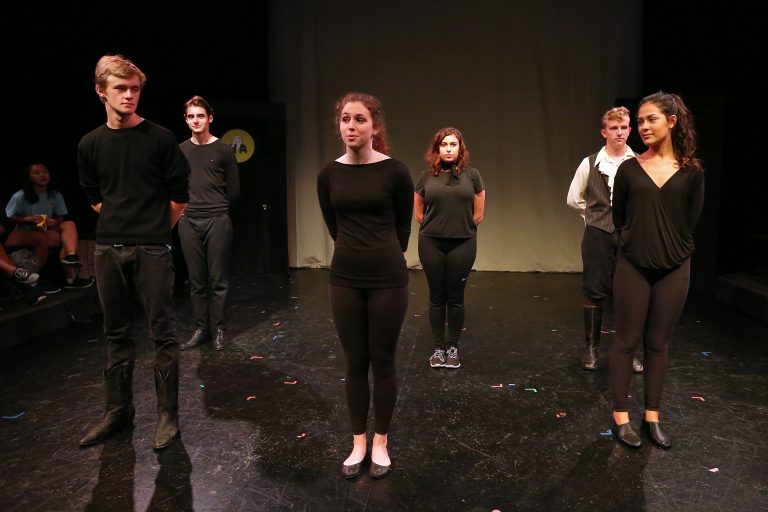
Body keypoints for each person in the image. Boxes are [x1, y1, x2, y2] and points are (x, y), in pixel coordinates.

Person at [77, 54, 190, 451]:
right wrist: (122, 223)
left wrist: (153, 231)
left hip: (152, 250)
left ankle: (167, 416)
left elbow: (179, 197)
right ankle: (118, 411)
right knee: (116, 333)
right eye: (120, 89)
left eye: (134, 89)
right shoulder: (90, 143)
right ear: (100, 92)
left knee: (163, 332)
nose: (129, 95)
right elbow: (94, 198)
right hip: (109, 248)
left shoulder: (159, 138)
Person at [317, 92, 413, 479]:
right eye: (345, 119)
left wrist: (382, 253)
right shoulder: (328, 174)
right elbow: (333, 226)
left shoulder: (396, 172)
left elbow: (403, 229)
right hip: (345, 278)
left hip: (388, 278)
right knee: (355, 363)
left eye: (359, 119)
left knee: (383, 360)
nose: (351, 126)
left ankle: (381, 441)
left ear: (375, 126)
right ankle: (359, 441)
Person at [609, 92, 705, 449]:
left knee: (658, 343)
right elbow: (618, 217)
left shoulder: (692, 171)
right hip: (633, 265)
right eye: (641, 120)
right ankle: (621, 417)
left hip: (675, 266)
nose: (643, 127)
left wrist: (674, 249)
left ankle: (652, 416)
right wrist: (630, 243)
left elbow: (690, 220)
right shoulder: (629, 169)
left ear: (672, 121)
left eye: (651, 119)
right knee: (625, 341)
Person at [567, 107, 643, 373]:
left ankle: (628, 351)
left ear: (630, 129)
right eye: (613, 128)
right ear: (604, 132)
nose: (619, 132)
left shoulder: (639, 162)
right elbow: (574, 198)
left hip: (629, 235)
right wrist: (593, 218)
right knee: (594, 289)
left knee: (630, 293)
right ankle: (591, 348)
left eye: (623, 127)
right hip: (598, 233)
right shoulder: (590, 163)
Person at [414, 127, 485, 369]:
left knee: (455, 297)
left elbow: (478, 213)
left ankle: (453, 347)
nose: (448, 148)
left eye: (453, 144)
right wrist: (436, 227)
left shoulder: (472, 175)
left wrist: (459, 228)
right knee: (436, 297)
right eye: (444, 144)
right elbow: (419, 212)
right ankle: (438, 349)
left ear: (460, 148)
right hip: (431, 242)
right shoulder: (426, 177)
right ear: (437, 149)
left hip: (463, 243)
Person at [177, 96, 240, 352]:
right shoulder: (181, 150)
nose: (196, 121)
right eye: (191, 116)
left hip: (216, 219)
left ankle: (220, 329)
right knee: (196, 280)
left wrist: (217, 208)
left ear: (210, 118)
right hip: (189, 220)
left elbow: (234, 189)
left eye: (200, 116)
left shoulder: (223, 149)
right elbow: (176, 185)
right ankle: (202, 328)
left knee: (218, 279)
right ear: (186, 119)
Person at [5, 163, 95, 290]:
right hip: (26, 231)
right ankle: (67, 279)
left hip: (45, 229)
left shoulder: (55, 195)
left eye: (45, 172)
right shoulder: (20, 196)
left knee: (69, 225)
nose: (42, 175)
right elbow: (8, 217)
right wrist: (28, 219)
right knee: (54, 239)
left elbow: (60, 217)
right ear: (30, 177)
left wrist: (53, 222)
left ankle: (71, 255)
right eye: (37, 173)